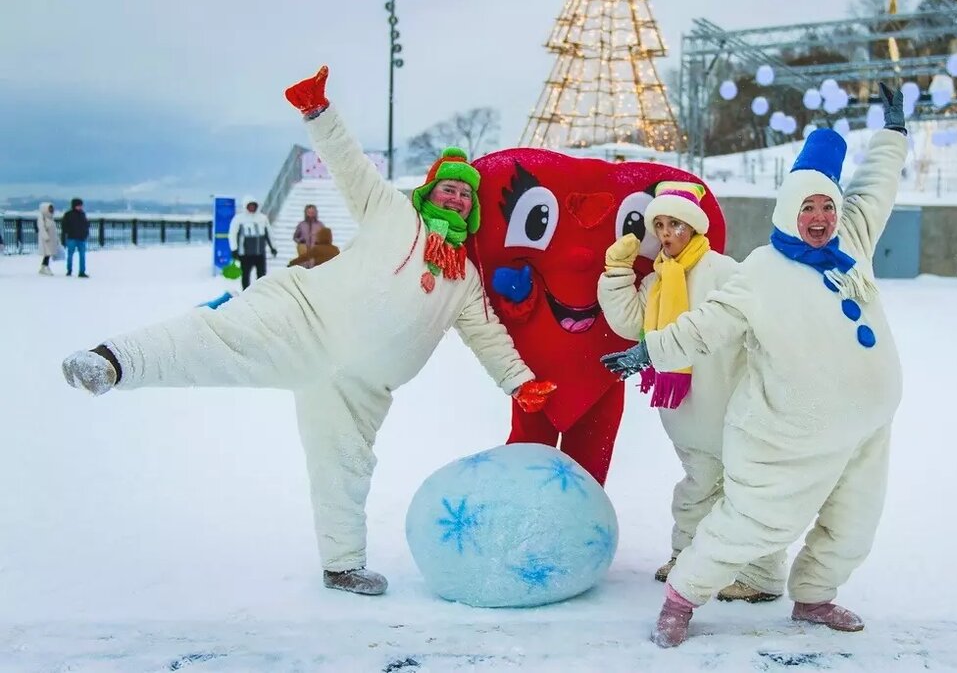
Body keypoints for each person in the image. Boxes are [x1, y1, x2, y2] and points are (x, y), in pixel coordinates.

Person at [60, 64, 557, 597]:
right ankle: (112, 362)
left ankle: (342, 566)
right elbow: (349, 165)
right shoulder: (391, 212)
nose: (456, 198)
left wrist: (518, 381)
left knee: (344, 466)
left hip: (358, 388)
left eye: (465, 195)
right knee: (214, 337)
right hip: (302, 318)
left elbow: (487, 335)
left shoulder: (466, 279)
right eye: (449, 190)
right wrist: (319, 112)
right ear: (429, 192)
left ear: (473, 208)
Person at [602, 83, 909, 647]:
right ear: (789, 212)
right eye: (807, 207)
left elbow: (876, 187)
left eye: (827, 206)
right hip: (789, 432)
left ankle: (815, 597)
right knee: (753, 523)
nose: (820, 217)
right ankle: (682, 598)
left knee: (854, 522)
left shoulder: (852, 242)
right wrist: (649, 351)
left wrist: (893, 134)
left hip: (867, 427)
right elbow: (707, 324)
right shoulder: (761, 271)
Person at [597, 181, 785, 603]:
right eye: (660, 225)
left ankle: (761, 576)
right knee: (696, 490)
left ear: (694, 228)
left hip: (733, 408)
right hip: (686, 413)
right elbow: (631, 324)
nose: (666, 233)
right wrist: (617, 272)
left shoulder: (725, 271)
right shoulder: (658, 279)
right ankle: (687, 558)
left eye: (675, 225)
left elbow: (758, 326)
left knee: (748, 492)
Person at [229, 196, 276, 289]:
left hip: (259, 253)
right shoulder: (238, 219)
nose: (252, 208)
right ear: (245, 206)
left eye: (253, 206)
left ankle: (260, 292)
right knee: (245, 275)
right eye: (249, 206)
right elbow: (232, 234)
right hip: (245, 253)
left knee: (261, 275)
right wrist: (234, 249)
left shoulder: (262, 218)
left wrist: (273, 247)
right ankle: (246, 292)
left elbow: (269, 234)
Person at [62, 198, 90, 278]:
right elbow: (64, 225)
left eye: (81, 205)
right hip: (72, 237)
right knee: (70, 255)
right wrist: (68, 231)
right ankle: (69, 270)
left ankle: (82, 271)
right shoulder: (68, 214)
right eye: (79, 205)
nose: (80, 207)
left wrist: (85, 233)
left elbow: (86, 224)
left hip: (81, 238)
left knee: (82, 255)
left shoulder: (82, 214)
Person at [36, 202, 61, 276]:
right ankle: (45, 267)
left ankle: (44, 266)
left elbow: (53, 230)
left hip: (51, 239)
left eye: (51, 208)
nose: (51, 210)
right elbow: (41, 227)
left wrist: (57, 239)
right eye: (49, 208)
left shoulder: (50, 217)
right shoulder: (42, 217)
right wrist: (45, 236)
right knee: (47, 253)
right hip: (46, 239)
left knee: (48, 254)